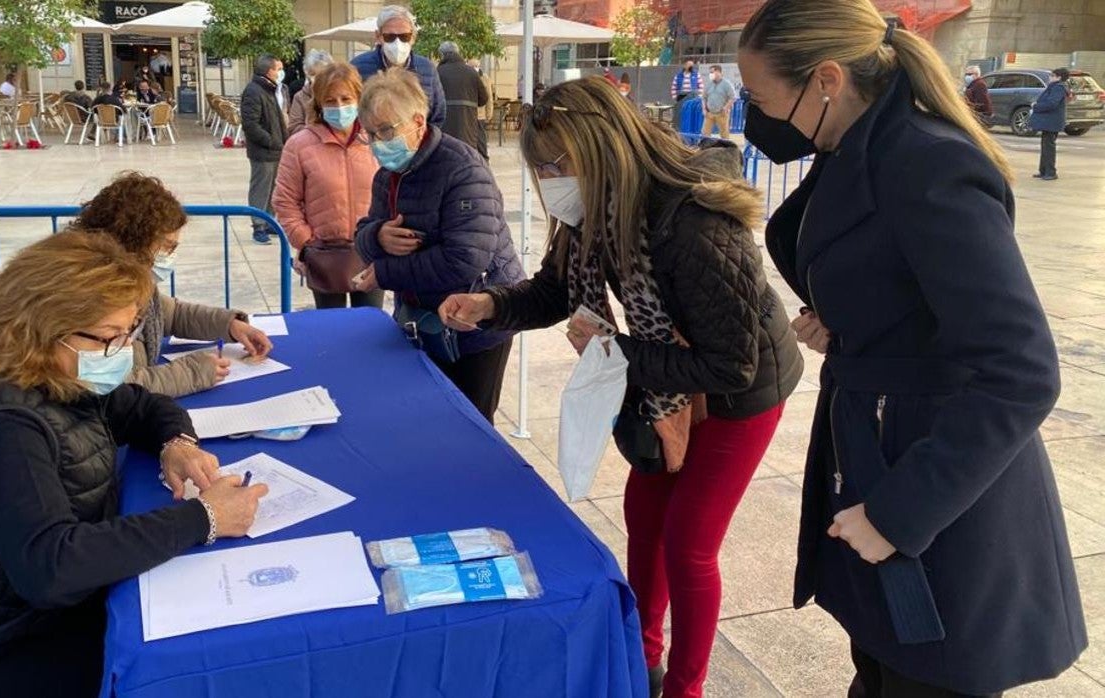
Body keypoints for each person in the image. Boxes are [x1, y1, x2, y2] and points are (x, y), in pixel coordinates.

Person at [738, 2, 1086, 696]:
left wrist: (899, 515)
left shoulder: (927, 164)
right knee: (881, 667)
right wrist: (848, 321)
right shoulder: (860, 147)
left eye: (759, 96)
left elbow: (1021, 368)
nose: (754, 113)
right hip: (877, 447)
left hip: (936, 490)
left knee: (921, 672)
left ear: (827, 79)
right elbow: (902, 283)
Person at [439, 76, 803, 698]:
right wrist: (490, 305)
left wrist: (619, 356)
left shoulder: (693, 221)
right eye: (541, 168)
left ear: (603, 150)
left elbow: (731, 365)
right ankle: (642, 656)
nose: (551, 179)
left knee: (689, 542)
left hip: (739, 391)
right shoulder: (591, 214)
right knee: (644, 512)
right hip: (669, 381)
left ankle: (685, 687)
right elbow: (554, 292)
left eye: (559, 164)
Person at [0, 231, 268, 698]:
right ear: (42, 330)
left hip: (14, 613)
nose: (121, 353)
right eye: (110, 338)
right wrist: (206, 517)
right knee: (189, 664)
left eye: (127, 335)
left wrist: (177, 442)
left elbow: (140, 406)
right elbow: (54, 567)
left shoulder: (48, 372)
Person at [351, 69, 524, 422]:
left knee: (470, 426)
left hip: (474, 325)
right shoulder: (388, 175)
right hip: (421, 320)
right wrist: (379, 235)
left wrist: (384, 271)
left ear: (417, 121)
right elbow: (364, 234)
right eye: (370, 133)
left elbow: (465, 260)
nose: (378, 142)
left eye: (386, 130)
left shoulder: (463, 169)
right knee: (426, 420)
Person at [72, 172, 273, 397]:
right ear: (132, 243)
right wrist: (192, 373)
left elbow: (170, 313)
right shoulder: (88, 300)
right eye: (167, 247)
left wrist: (230, 325)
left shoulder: (129, 285)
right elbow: (107, 388)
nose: (170, 255)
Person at [274, 63, 382, 310]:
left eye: (346, 98)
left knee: (370, 326)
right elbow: (285, 201)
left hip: (369, 252)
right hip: (323, 254)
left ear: (359, 98)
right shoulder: (299, 145)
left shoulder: (376, 141)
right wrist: (306, 243)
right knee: (332, 330)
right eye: (330, 100)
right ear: (319, 104)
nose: (339, 106)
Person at [351, 4, 447, 127]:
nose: (397, 43)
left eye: (404, 37)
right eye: (390, 37)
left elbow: (438, 114)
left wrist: (422, 141)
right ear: (378, 36)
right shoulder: (358, 67)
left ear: (413, 37)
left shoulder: (427, 68)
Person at [241, 55, 291, 245]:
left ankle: (269, 221)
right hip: (264, 151)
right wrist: (272, 141)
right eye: (278, 68)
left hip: (277, 149)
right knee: (261, 188)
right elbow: (251, 124)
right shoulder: (254, 91)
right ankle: (258, 226)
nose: (281, 72)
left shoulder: (274, 90)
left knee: (273, 189)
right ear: (269, 71)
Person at [437, 41, 489, 157]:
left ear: (442, 55)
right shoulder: (472, 72)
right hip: (468, 128)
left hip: (445, 130)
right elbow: (483, 99)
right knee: (467, 160)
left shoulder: (438, 72)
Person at [1031, 67, 1071, 181]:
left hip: (1052, 122)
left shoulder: (1058, 88)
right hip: (1048, 122)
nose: (1050, 78)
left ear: (1059, 77)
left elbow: (1052, 103)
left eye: (1052, 76)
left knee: (1049, 147)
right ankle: (1043, 170)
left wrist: (1036, 106)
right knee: (1045, 146)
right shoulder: (1054, 87)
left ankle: (1050, 172)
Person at [288, 49, 333, 135]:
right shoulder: (300, 97)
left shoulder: (338, 93)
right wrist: (317, 131)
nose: (317, 78)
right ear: (307, 74)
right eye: (313, 74)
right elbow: (294, 127)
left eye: (321, 74)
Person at [469, 58, 494, 160]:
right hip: (469, 115)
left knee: (481, 140)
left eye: (476, 66)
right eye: (472, 66)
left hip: (480, 115)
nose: (475, 68)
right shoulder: (467, 77)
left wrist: (489, 113)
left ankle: (484, 160)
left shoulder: (484, 78)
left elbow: (489, 97)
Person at [702, 65, 737, 138]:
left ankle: (726, 148)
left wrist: (726, 107)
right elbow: (704, 97)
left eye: (712, 72)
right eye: (710, 72)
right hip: (709, 113)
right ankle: (705, 147)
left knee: (724, 134)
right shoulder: (709, 84)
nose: (710, 74)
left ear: (718, 72)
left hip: (722, 113)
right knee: (705, 133)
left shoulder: (726, 84)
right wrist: (704, 109)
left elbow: (732, 97)